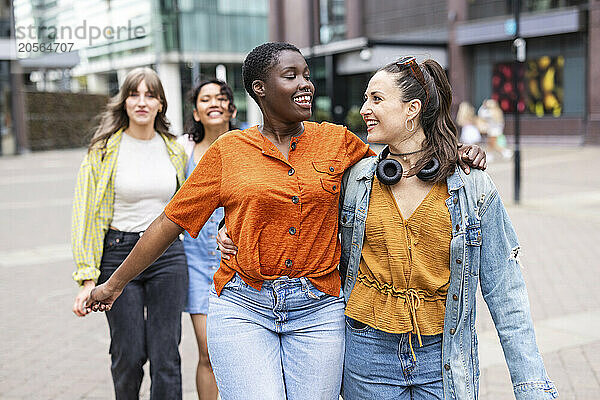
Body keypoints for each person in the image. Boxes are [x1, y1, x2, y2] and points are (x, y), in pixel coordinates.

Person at [84, 43, 484, 400]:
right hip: (244, 304)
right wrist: (114, 284)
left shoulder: (338, 141)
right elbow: (170, 221)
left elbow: (399, 162)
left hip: (318, 308)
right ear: (260, 88)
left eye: (307, 75)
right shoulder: (229, 151)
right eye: (291, 76)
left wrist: (454, 153)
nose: (305, 83)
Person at [336, 57, 557, 399]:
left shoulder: (472, 185)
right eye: (366, 99)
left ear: (412, 109)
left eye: (376, 99)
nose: (364, 109)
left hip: (444, 357)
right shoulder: (357, 179)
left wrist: (531, 388)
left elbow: (505, 292)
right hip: (367, 353)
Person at [71, 67, 188, 400]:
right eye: (134, 94)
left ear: (161, 104)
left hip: (167, 256)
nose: (142, 102)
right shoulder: (103, 150)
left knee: (167, 356)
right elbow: (85, 214)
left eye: (150, 95)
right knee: (129, 354)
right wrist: (86, 278)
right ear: (123, 102)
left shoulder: (173, 149)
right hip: (119, 253)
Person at [177, 79, 237, 400]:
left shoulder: (248, 146)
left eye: (221, 97)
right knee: (207, 350)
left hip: (240, 262)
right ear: (197, 112)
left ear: (232, 107)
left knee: (238, 352)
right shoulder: (181, 150)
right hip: (197, 262)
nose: (214, 102)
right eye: (205, 99)